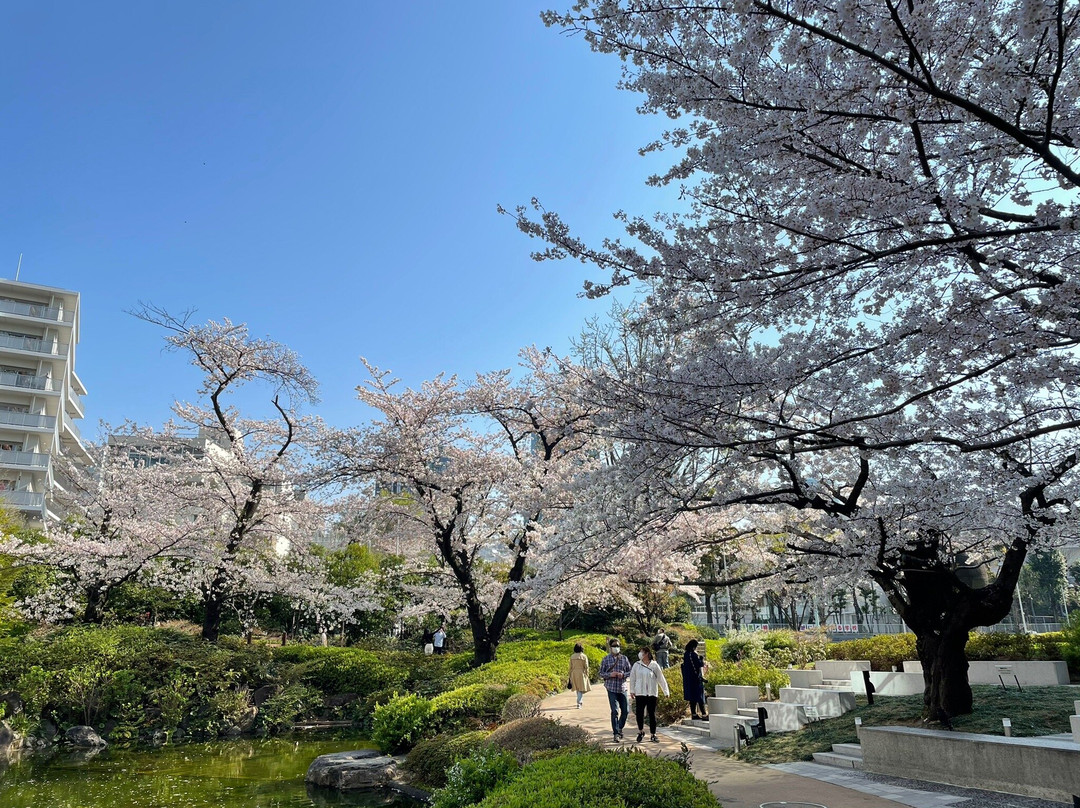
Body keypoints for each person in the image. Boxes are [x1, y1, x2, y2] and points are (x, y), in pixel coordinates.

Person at [629, 647, 670, 743]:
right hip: (640, 693)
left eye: (642, 652)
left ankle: (653, 734)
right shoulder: (636, 665)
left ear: (647, 653)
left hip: (652, 693)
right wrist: (632, 690)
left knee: (652, 713)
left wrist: (666, 691)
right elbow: (633, 678)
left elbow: (661, 678)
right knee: (639, 713)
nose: (640, 653)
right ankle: (640, 731)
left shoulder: (654, 665)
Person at [598, 637, 631, 743]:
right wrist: (610, 674)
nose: (616, 648)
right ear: (610, 647)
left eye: (618, 646)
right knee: (615, 711)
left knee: (625, 711)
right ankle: (616, 733)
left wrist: (623, 674)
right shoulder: (606, 659)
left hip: (622, 688)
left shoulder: (624, 658)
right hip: (611, 688)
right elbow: (600, 673)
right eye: (614, 646)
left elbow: (630, 671)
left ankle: (620, 727)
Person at [681, 639, 708, 720]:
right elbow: (699, 664)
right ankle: (703, 714)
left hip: (688, 680)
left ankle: (694, 714)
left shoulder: (686, 654)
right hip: (696, 679)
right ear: (694, 646)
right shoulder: (693, 654)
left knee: (692, 698)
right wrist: (701, 659)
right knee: (700, 696)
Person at [568, 642, 591, 709]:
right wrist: (587, 674)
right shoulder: (584, 656)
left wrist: (569, 675)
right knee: (581, 688)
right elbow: (586, 666)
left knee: (577, 688)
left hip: (574, 673)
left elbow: (570, 667)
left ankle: (579, 701)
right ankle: (579, 702)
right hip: (581, 673)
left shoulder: (572, 656)